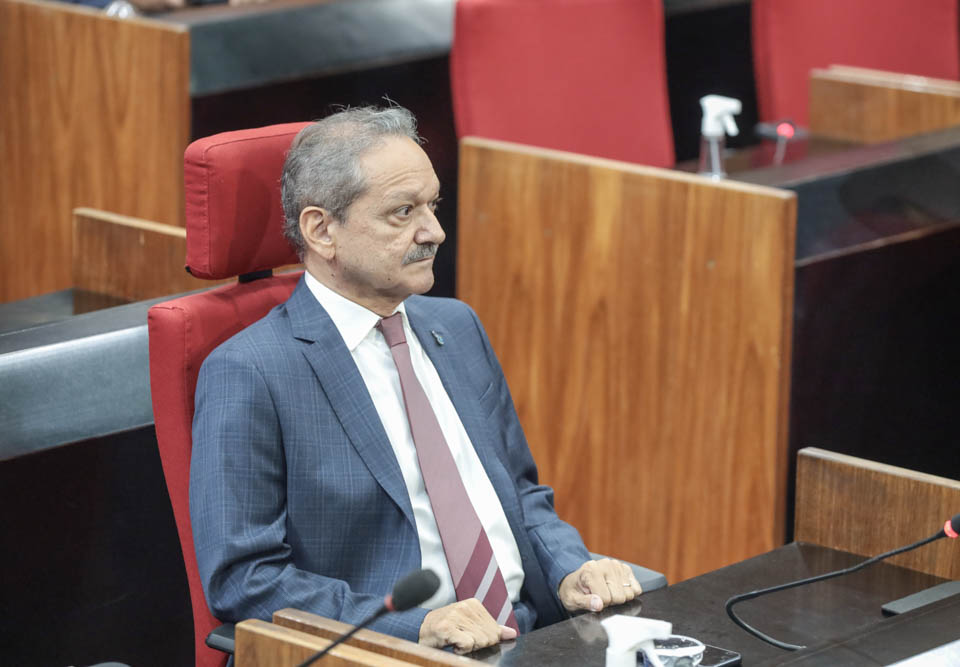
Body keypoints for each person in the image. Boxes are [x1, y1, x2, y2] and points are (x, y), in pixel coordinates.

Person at [190, 106, 640, 654]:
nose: (435, 232)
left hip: (527, 638)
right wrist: (416, 627)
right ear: (322, 230)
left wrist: (571, 568)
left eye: (433, 206)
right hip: (389, 656)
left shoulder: (457, 326)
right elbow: (244, 580)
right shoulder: (251, 371)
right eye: (403, 212)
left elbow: (519, 495)